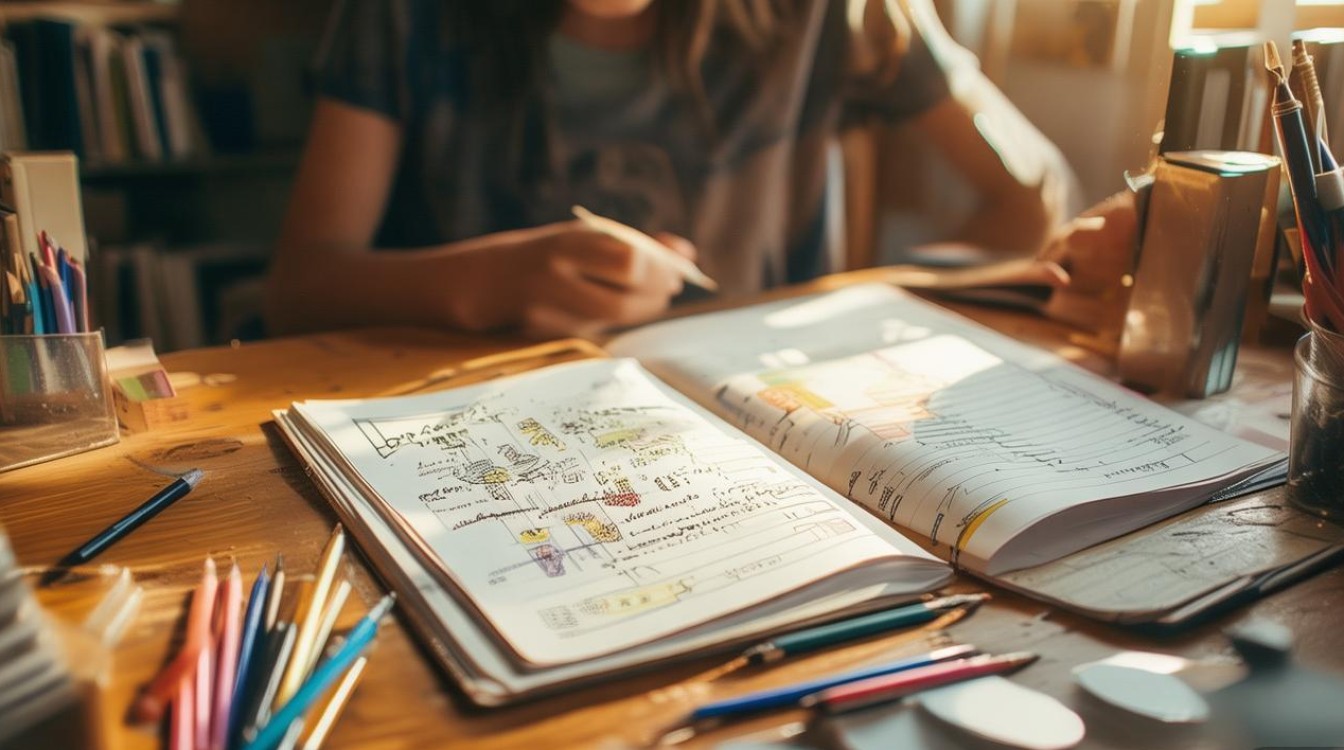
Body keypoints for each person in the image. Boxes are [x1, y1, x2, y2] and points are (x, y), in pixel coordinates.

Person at [265, 0, 1120, 339]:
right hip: (465, 437)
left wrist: (867, 304)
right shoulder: (404, 14)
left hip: (760, 432)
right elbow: (300, 286)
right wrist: (481, 282)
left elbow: (1032, 191)